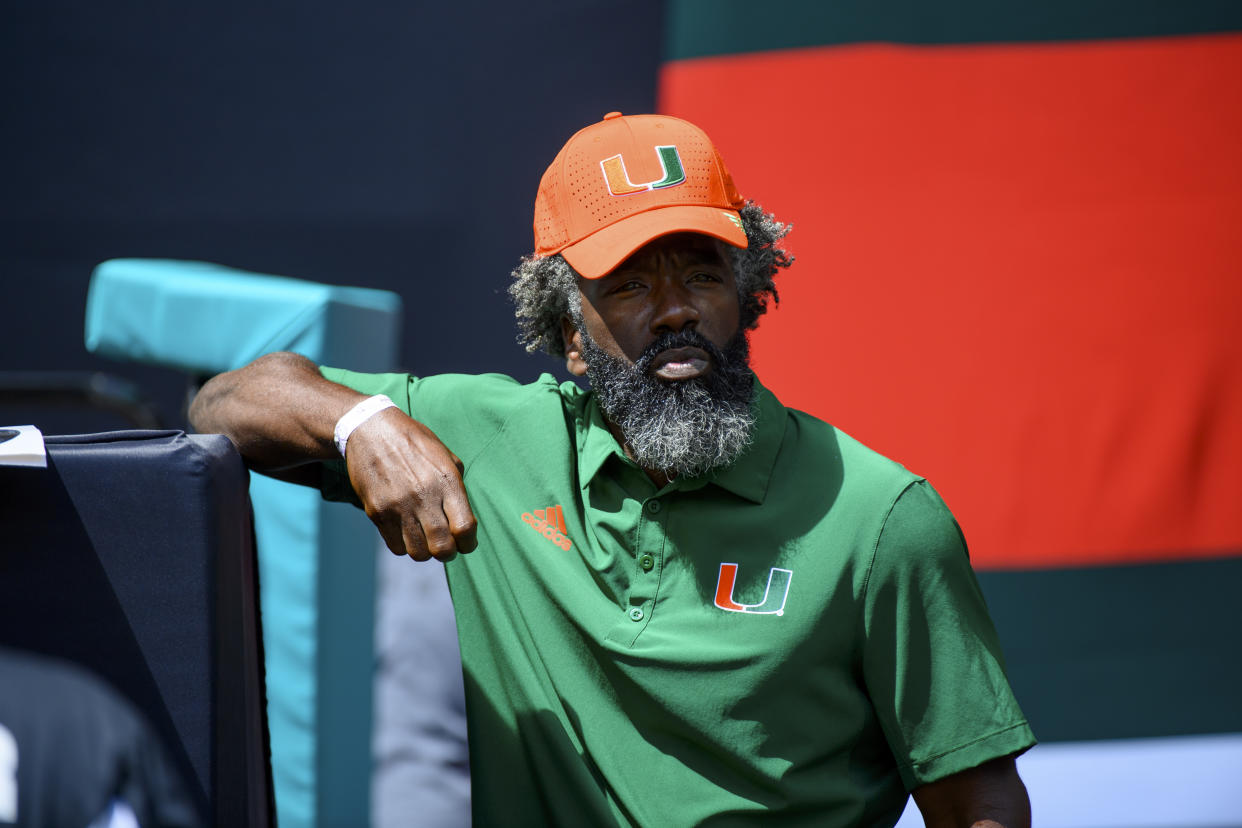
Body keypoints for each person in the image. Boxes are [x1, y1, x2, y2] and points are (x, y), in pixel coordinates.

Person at [190, 112, 1035, 827]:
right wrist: (360, 421)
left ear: (749, 293)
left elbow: (978, 801)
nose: (676, 311)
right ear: (568, 335)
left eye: (703, 273)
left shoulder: (881, 517)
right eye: (629, 286)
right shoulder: (494, 438)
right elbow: (225, 403)